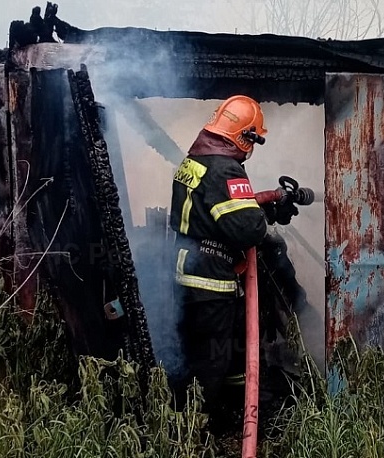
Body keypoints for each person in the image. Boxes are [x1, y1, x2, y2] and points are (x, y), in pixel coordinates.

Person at [169, 95, 269, 435]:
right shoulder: (225, 168)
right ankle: (194, 435)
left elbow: (211, 213)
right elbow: (247, 229)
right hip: (209, 283)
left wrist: (260, 204)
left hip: (184, 277)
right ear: (245, 137)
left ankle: (214, 417)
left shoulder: (193, 161)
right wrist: (261, 216)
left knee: (195, 355)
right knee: (211, 362)